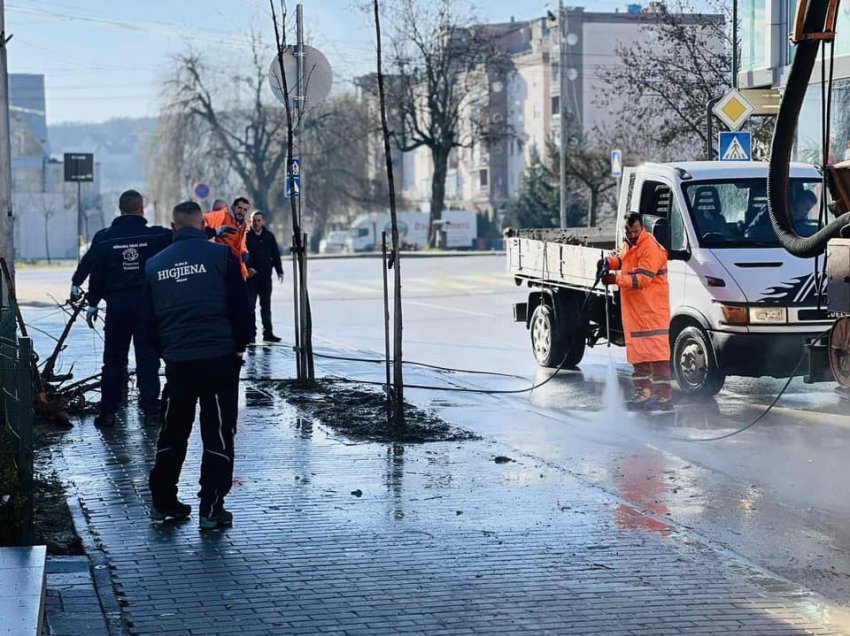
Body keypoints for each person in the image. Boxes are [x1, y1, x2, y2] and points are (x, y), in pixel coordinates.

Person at [143, 200, 252, 530]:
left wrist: (167, 352)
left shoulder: (154, 266)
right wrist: (238, 347)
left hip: (179, 363)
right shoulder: (220, 256)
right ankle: (211, 508)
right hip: (219, 360)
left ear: (173, 227)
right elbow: (242, 308)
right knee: (218, 433)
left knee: (173, 432)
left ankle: (163, 502)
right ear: (203, 225)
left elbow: (147, 324)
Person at [85, 190, 172, 428]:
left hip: (117, 308)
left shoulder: (105, 238)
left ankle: (109, 412)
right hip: (147, 308)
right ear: (142, 209)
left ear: (120, 209)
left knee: (114, 360)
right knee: (148, 359)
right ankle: (151, 411)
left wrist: (93, 302)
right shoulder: (156, 236)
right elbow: (185, 236)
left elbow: (97, 274)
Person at [599, 213, 672, 411]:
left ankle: (663, 397)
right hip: (636, 312)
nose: (632, 235)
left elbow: (641, 279)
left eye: (635, 231)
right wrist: (610, 263)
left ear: (642, 228)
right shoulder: (630, 244)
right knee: (639, 356)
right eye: (629, 232)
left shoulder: (650, 247)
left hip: (652, 312)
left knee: (657, 357)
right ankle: (643, 393)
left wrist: (615, 280)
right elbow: (625, 262)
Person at [245, 211, 283, 343]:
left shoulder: (269, 236)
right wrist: (248, 267)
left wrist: (279, 271)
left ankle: (268, 333)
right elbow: (242, 255)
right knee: (250, 307)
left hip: (266, 277)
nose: (256, 223)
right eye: (254, 220)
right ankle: (251, 334)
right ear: (251, 221)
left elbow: (275, 255)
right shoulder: (246, 237)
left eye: (259, 220)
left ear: (263, 222)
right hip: (251, 278)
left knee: (266, 306)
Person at [203, 198, 250, 279]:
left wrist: (244, 251)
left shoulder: (243, 224)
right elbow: (199, 219)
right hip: (221, 265)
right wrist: (215, 232)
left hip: (237, 267)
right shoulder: (223, 215)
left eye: (245, 210)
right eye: (239, 208)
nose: (241, 211)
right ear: (233, 207)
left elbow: (241, 244)